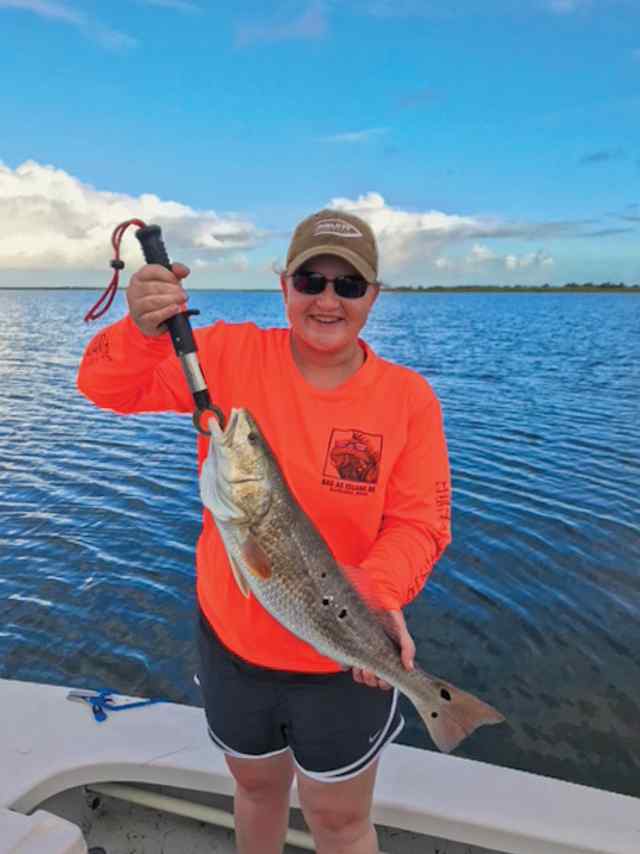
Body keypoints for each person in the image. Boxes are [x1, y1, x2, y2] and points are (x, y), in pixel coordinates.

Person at [77, 208, 452, 854]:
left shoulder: (408, 397)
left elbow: (421, 522)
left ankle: (435, 706)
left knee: (339, 821)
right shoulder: (226, 355)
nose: (327, 299)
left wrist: (382, 589)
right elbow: (104, 387)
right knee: (254, 792)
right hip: (235, 652)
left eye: (348, 285)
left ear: (373, 297)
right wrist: (140, 332)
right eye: (310, 280)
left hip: (344, 658)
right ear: (284, 286)